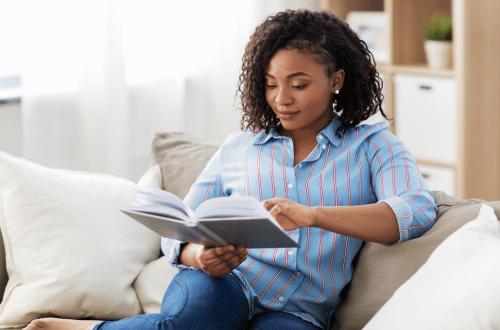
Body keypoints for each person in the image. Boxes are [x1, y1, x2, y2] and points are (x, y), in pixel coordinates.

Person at [23, 9, 437, 330]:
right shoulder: (241, 146)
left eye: (299, 84)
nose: (282, 99)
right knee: (193, 323)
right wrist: (200, 256)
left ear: (336, 80)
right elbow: (179, 231)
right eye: (271, 84)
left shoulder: (372, 145)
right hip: (224, 282)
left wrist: (313, 216)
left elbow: (415, 211)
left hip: (299, 307)